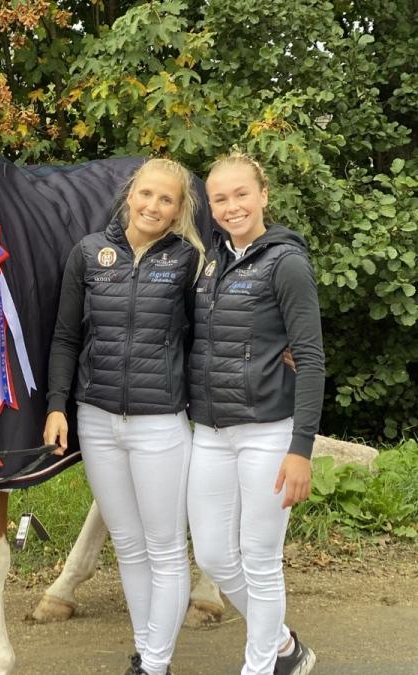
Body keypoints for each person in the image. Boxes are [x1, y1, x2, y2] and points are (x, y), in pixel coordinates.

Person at [44, 158, 205, 675]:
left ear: (179, 210)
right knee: (130, 547)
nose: (153, 206)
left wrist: (278, 349)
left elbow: (214, 330)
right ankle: (148, 652)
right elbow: (66, 337)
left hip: (161, 424)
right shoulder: (90, 253)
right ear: (130, 194)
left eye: (166, 199)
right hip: (96, 421)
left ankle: (154, 665)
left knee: (165, 548)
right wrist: (57, 405)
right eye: (146, 194)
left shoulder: (189, 261)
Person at [186, 152, 324, 675]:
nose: (232, 206)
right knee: (214, 557)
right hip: (211, 431)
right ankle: (285, 645)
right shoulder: (207, 260)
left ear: (263, 195)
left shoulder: (286, 262)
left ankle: (261, 666)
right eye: (220, 198)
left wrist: (300, 449)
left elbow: (310, 358)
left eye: (241, 194)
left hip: (268, 432)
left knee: (260, 560)